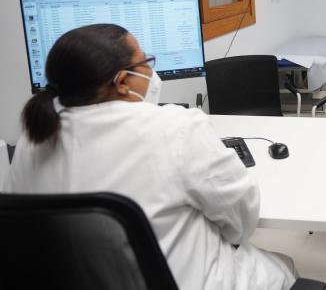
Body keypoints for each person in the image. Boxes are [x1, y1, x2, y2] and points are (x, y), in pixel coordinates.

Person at [5, 24, 296, 290]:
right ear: (122, 82)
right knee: (282, 266)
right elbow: (241, 222)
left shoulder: (33, 137)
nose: (151, 72)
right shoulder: (176, 128)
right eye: (146, 62)